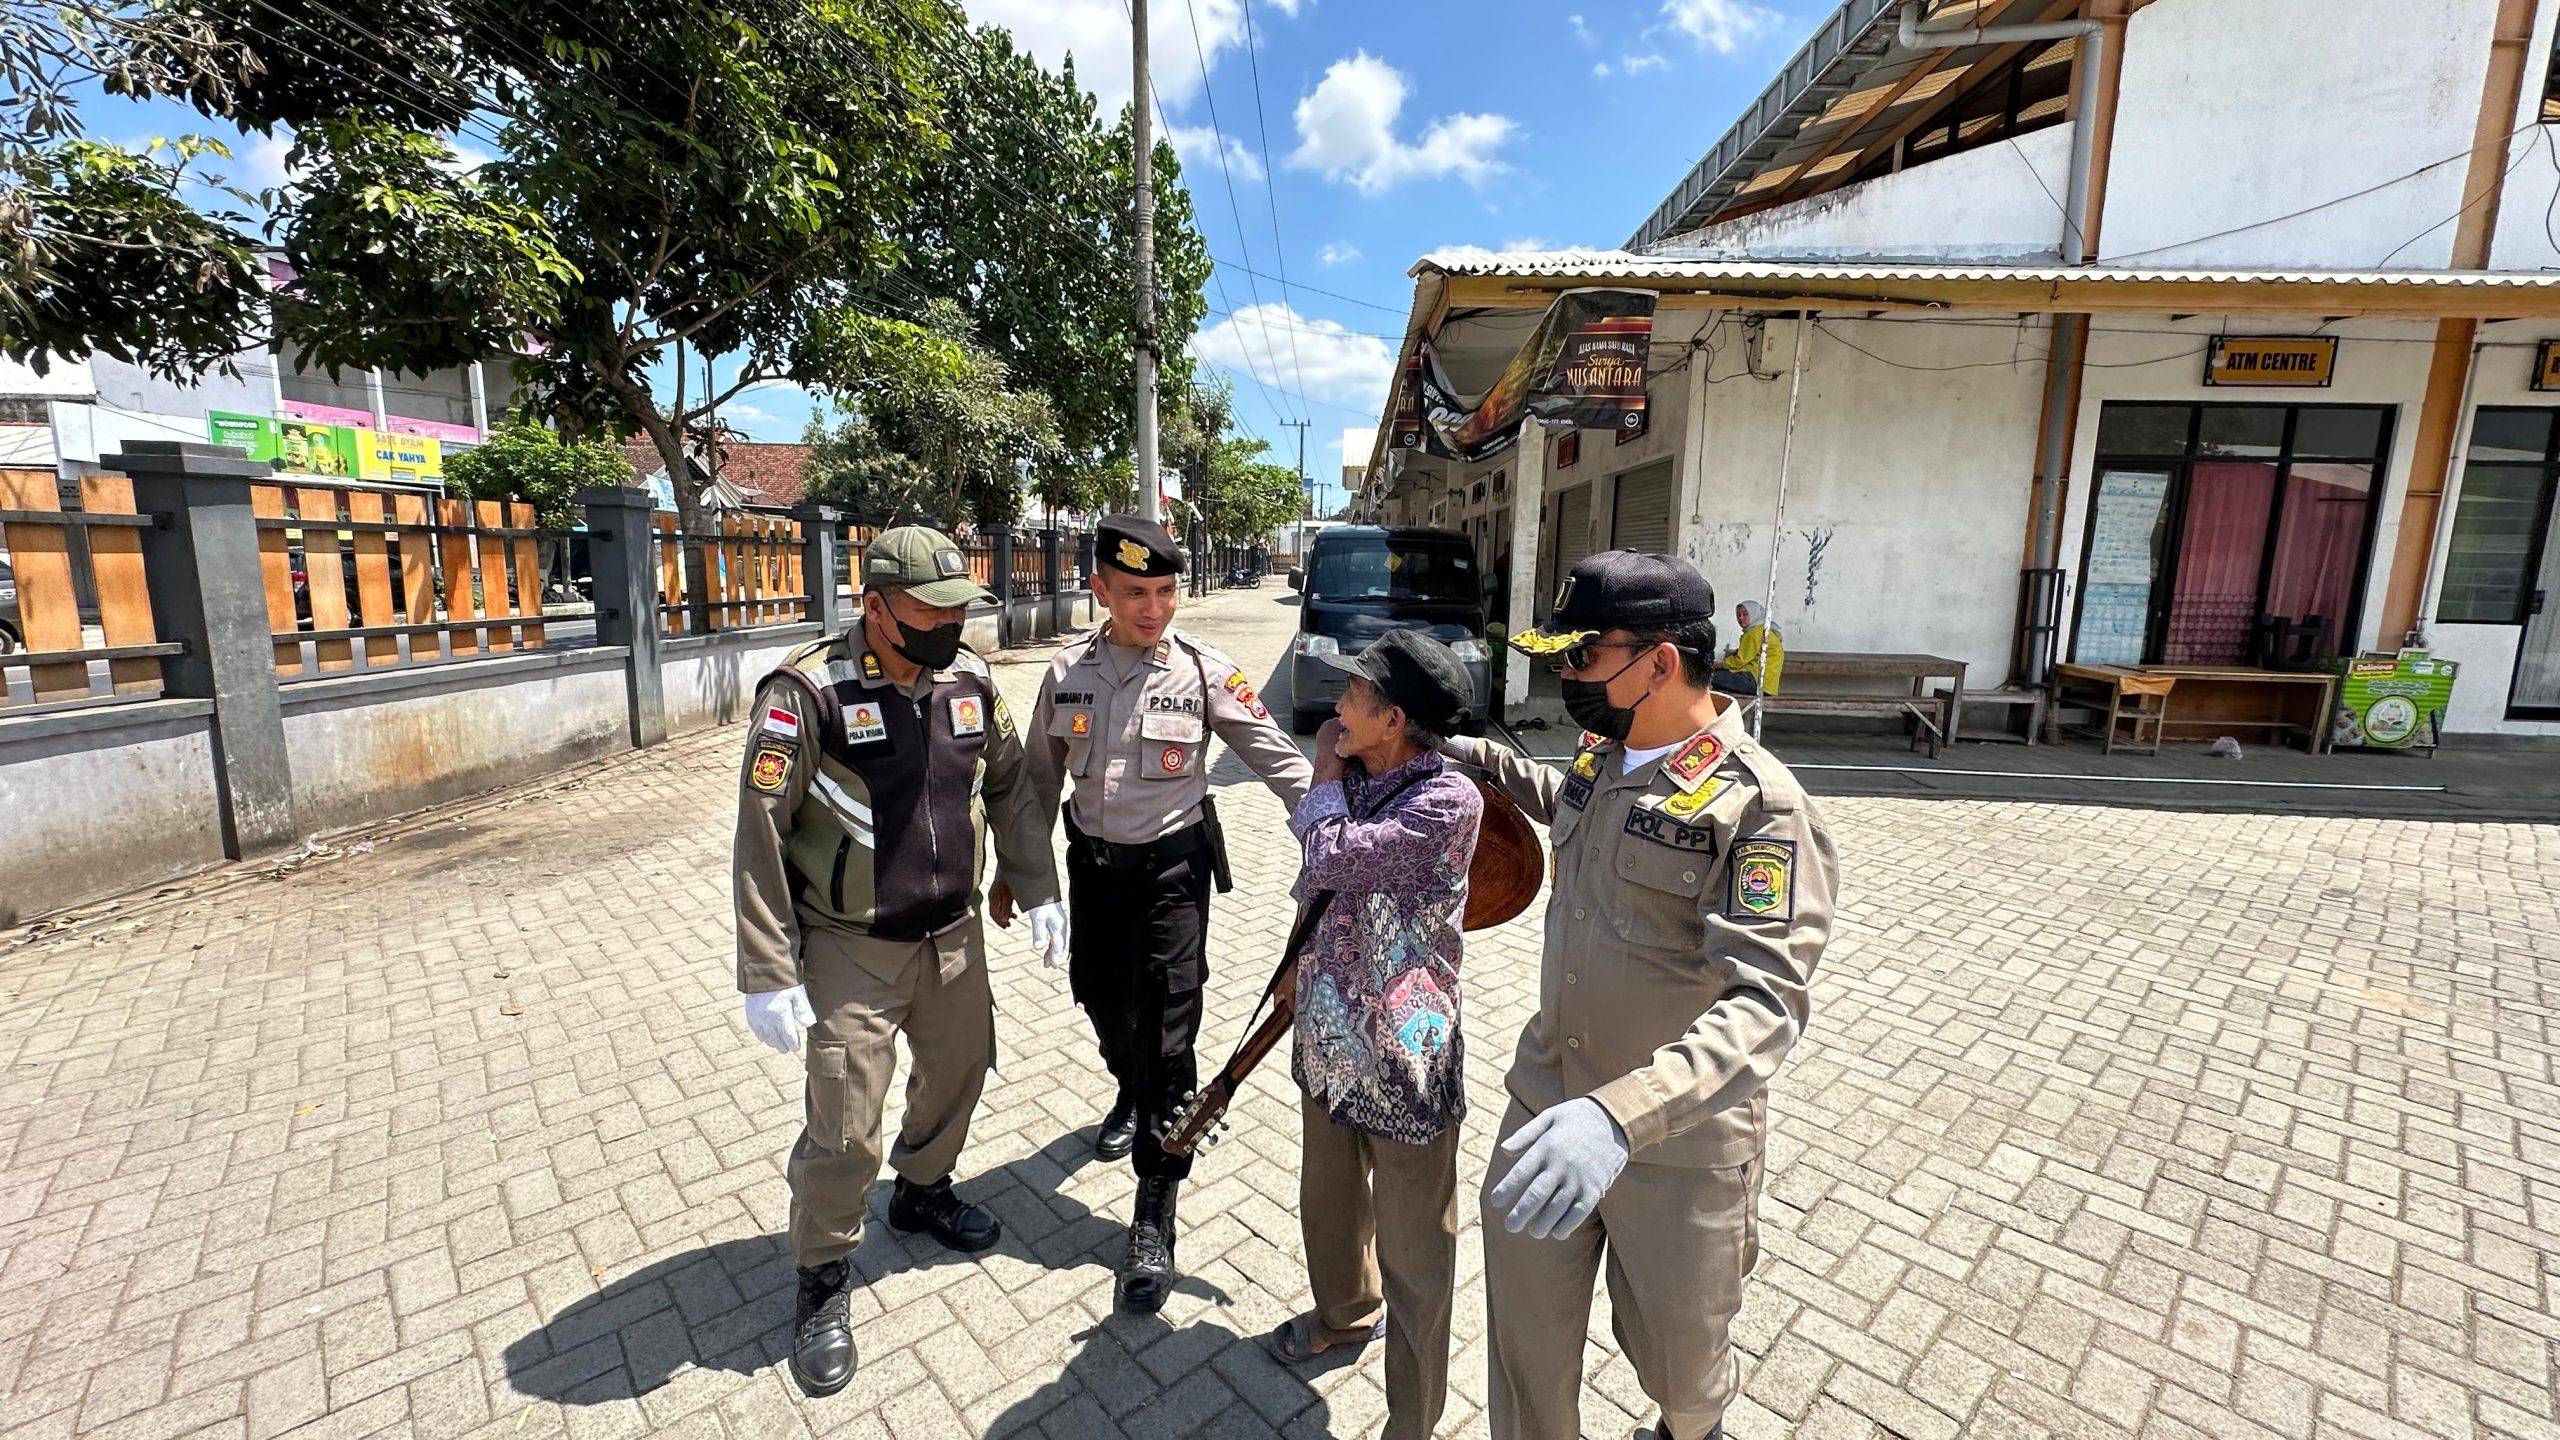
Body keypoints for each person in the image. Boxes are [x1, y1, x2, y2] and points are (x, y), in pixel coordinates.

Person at [1447, 551, 1838, 1440]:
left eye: (1582, 658)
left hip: (1677, 1144)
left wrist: (1619, 1117)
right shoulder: (1606, 754)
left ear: (1659, 663)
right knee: (1526, 1349)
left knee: (1679, 1363)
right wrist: (1466, 752)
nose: (1566, 678)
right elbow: (1567, 800)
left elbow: (1766, 1003)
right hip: (1549, 1103)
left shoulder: (1762, 809)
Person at [731, 525, 1067, 1399]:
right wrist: (768, 970)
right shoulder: (807, 693)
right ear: (874, 607)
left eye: (961, 607)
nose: (950, 625)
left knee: (960, 1072)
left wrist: (1037, 887)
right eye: (931, 609)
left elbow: (1010, 784)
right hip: (853, 946)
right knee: (845, 1123)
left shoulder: (969, 680)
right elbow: (759, 833)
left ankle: (922, 1189)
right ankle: (824, 1274)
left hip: (952, 936)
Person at [1021, 514, 1313, 1312]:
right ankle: (1130, 1088)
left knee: (1168, 1024)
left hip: (1172, 875)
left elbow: (1280, 759)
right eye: (1136, 593)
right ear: (1102, 591)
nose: (1153, 609)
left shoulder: (1205, 671)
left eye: (1165, 591)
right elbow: (1037, 786)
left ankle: (1156, 1201)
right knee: (1102, 1000)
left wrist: (1339, 833)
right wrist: (1022, 877)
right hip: (1095, 872)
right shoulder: (1065, 673)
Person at [1263, 629, 1483, 1440]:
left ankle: (1412, 1423)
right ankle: (1346, 1313)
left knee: (1417, 1255)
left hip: (1404, 1057)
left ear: (1392, 719)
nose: (1336, 704)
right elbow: (1314, 887)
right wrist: (1295, 959)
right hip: (1326, 1032)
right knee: (1326, 1201)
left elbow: (1332, 856)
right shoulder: (1359, 776)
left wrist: (1320, 775)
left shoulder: (1445, 802)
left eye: (1354, 694)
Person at [1711, 598, 1784, 697]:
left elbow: (1740, 660)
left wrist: (1719, 665)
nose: (1741, 618)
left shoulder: (1754, 633)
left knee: (1710, 677)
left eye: (1745, 614)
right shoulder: (1762, 630)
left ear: (1754, 614)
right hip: (1767, 685)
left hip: (1756, 681)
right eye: (1738, 615)